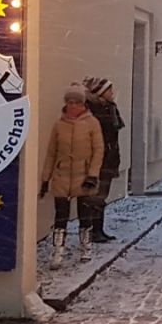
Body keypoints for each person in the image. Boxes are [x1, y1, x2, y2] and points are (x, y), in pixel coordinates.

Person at [39, 84, 103, 268]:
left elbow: (98, 151)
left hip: (83, 175)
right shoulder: (59, 125)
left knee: (85, 214)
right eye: (69, 102)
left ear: (83, 104)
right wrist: (45, 178)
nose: (72, 105)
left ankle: (86, 247)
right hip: (62, 175)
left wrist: (93, 174)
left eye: (76, 102)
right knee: (61, 215)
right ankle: (58, 250)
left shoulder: (92, 124)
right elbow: (52, 152)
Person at [79, 76, 124, 243]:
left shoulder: (111, 108)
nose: (112, 93)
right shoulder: (91, 111)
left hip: (109, 158)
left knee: (101, 196)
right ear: (101, 92)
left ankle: (98, 229)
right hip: (96, 159)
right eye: (109, 90)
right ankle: (90, 231)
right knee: (92, 197)